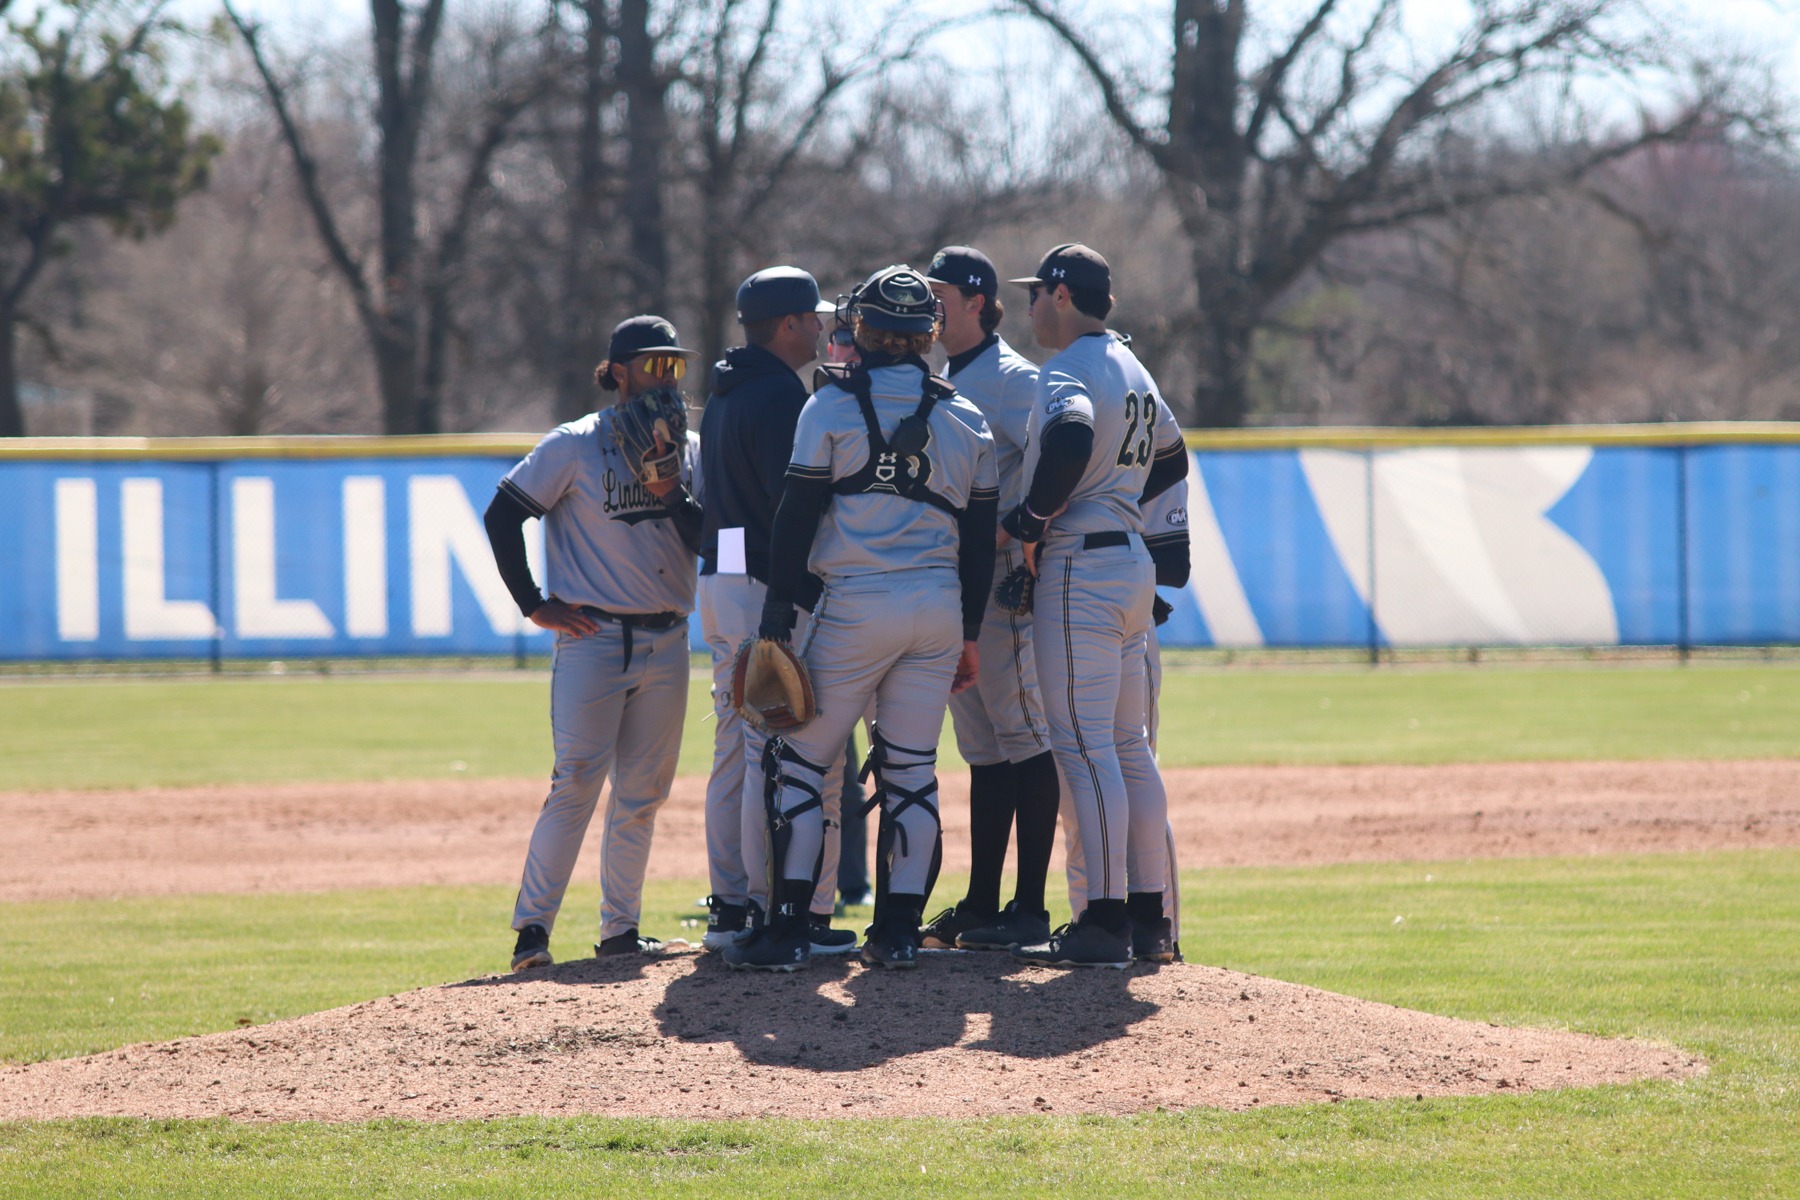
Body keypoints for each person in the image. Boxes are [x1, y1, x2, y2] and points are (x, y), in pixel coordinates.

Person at [723, 264, 998, 972]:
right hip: (937, 608)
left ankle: (787, 929)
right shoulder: (968, 418)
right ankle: (899, 932)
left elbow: (796, 516)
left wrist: (778, 614)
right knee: (911, 771)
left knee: (798, 762)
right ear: (928, 335)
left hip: (856, 603)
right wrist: (967, 634)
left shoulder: (829, 408)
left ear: (865, 332)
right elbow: (977, 542)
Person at [485, 315, 704, 970]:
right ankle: (532, 932)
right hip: (594, 637)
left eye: (674, 364)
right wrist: (533, 603)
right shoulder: (575, 444)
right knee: (577, 781)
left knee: (642, 791)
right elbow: (504, 513)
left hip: (668, 637)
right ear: (615, 372)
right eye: (651, 363)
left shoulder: (691, 448)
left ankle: (619, 931)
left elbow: (709, 539)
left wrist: (671, 494)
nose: (665, 376)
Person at [999, 245, 1190, 968]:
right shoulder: (1134, 369)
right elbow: (1171, 455)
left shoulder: (1071, 366)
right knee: (1129, 745)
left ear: (1059, 293)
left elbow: (1073, 434)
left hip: (1081, 564)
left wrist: (1030, 519)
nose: (1029, 309)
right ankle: (1149, 916)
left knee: (1083, 746)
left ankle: (1104, 919)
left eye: (1034, 295)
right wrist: (1168, 554)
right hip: (1129, 563)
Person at [695, 267, 856, 958]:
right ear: (787, 325)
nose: (821, 328)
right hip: (763, 583)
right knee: (778, 747)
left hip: (721, 574)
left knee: (734, 746)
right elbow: (790, 506)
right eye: (812, 319)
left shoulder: (726, 388)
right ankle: (773, 912)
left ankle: (730, 905)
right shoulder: (779, 395)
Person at [916, 245, 1060, 953]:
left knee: (1023, 736)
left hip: (1002, 582)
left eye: (942, 293)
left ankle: (1029, 909)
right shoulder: (945, 374)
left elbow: (1056, 466)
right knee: (982, 747)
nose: (932, 305)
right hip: (953, 584)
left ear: (976, 301)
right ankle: (981, 902)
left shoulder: (1010, 379)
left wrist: (1024, 543)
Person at [1061, 474, 1190, 962]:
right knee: (1082, 796)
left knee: (1125, 764)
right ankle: (1096, 925)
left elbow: (1175, 563)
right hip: (1072, 615)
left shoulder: (1147, 419)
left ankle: (1159, 933)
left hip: (1122, 624)